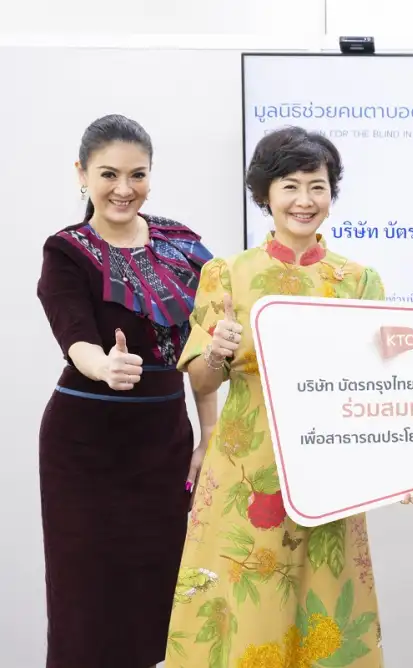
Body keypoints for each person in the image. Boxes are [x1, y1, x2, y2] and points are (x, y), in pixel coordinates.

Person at [164, 126, 413, 668]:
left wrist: (412, 467)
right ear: (265, 194)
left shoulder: (359, 281)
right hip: (246, 472)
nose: (304, 200)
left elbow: (387, 389)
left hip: (330, 474)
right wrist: (217, 351)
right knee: (248, 613)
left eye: (317, 186)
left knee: (325, 612)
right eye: (290, 186)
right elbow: (200, 380)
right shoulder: (227, 273)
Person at [36, 114, 216, 668]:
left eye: (137, 175)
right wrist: (103, 366)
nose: (123, 189)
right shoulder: (67, 250)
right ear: (82, 174)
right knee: (87, 604)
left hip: (164, 444)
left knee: (164, 599)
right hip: (85, 449)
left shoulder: (182, 245)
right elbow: (74, 335)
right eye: (108, 174)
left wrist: (210, 433)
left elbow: (203, 347)